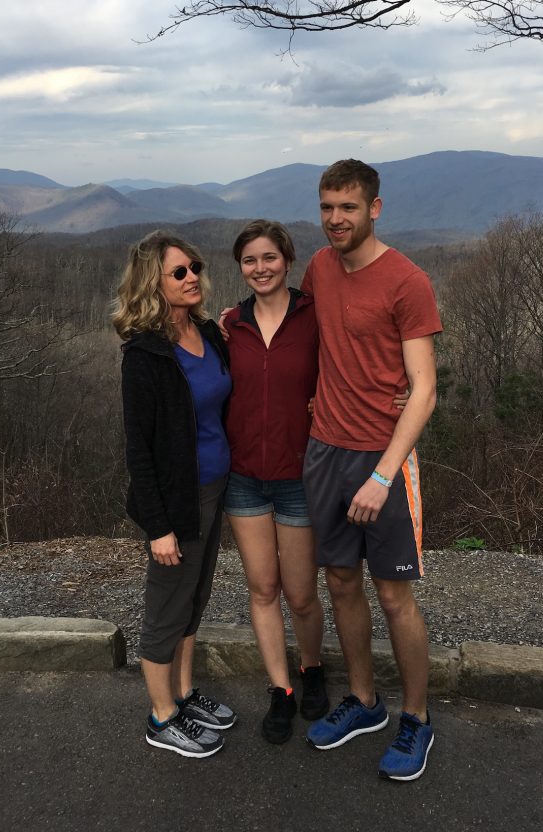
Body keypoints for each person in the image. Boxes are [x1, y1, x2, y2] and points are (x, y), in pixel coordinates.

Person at [300, 159, 442, 782]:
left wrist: (384, 474)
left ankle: (416, 717)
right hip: (325, 449)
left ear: (374, 208)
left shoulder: (407, 281)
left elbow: (424, 388)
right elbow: (303, 331)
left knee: (393, 593)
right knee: (340, 583)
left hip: (382, 458)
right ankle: (363, 702)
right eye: (328, 207)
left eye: (348, 207)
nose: (336, 219)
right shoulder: (318, 268)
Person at [113, 230, 236, 759]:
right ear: (153, 283)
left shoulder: (208, 332)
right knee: (166, 606)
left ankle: (183, 695)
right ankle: (161, 716)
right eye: (179, 272)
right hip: (176, 500)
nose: (193, 278)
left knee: (194, 597)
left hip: (214, 488)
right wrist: (158, 527)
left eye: (195, 268)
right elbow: (138, 450)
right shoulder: (145, 355)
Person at [222, 220, 329, 744]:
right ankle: (280, 689)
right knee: (262, 589)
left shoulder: (314, 317)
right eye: (249, 260)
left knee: (301, 594)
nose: (259, 268)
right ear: (239, 268)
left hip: (299, 475)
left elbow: (354, 367)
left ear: (287, 260)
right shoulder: (229, 327)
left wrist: (399, 391)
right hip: (243, 477)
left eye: (268, 258)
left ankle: (312, 667)